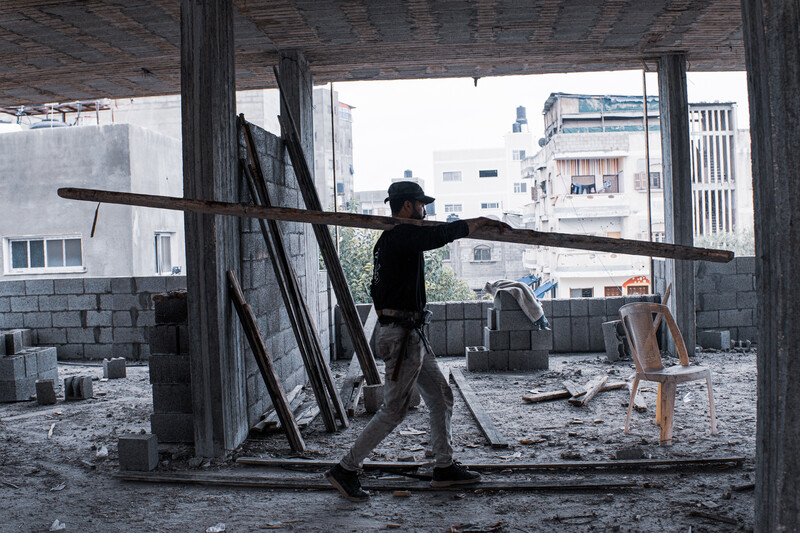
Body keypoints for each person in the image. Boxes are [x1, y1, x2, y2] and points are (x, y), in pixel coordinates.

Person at [325, 181, 511, 502]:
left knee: (440, 395)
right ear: (408, 206)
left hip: (410, 334)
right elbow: (437, 236)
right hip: (402, 337)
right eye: (422, 205)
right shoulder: (402, 236)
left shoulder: (390, 240)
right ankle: (346, 468)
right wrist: (478, 223)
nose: (426, 212)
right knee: (394, 410)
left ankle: (444, 467)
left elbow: (382, 282)